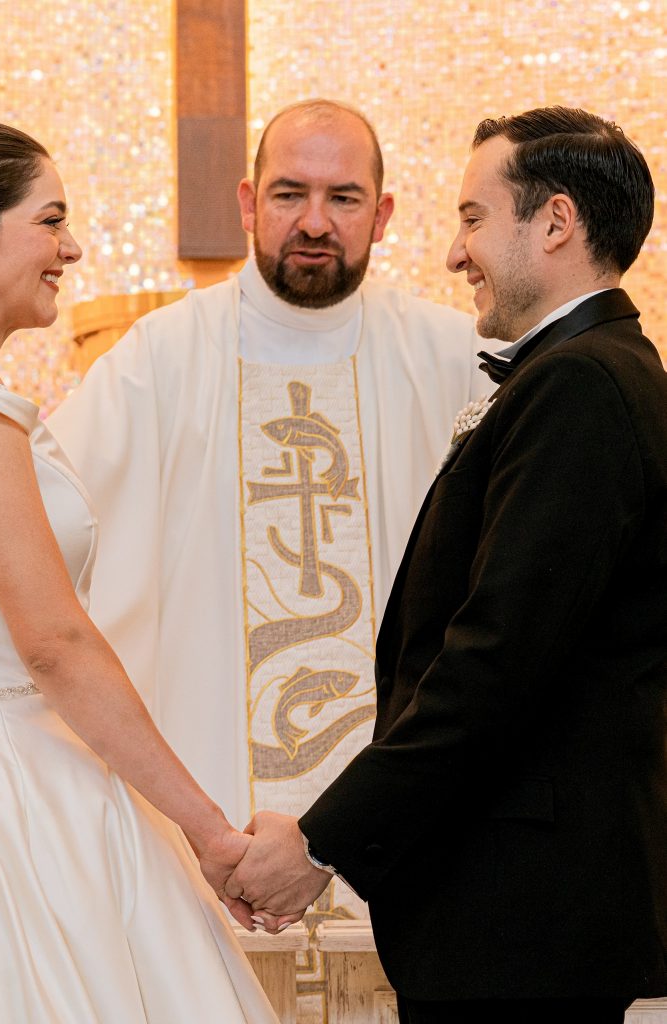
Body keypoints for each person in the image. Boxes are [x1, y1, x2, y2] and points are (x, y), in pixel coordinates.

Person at [225, 106, 667, 1023]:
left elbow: (494, 662)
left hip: (523, 914)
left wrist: (319, 844)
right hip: (523, 911)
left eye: (472, 217)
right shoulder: (587, 370)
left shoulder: (580, 383)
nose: (454, 253)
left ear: (554, 222)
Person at [0, 119, 278, 1022]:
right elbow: (53, 643)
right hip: (8, 791)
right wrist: (207, 832)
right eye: (50, 220)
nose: (71, 247)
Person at [49, 98, 489, 844]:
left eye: (343, 198)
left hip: (407, 810)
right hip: (206, 794)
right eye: (289, 194)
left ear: (382, 215)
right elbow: (43, 525)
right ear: (249, 204)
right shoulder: (159, 358)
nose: (314, 223)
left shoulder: (456, 359)